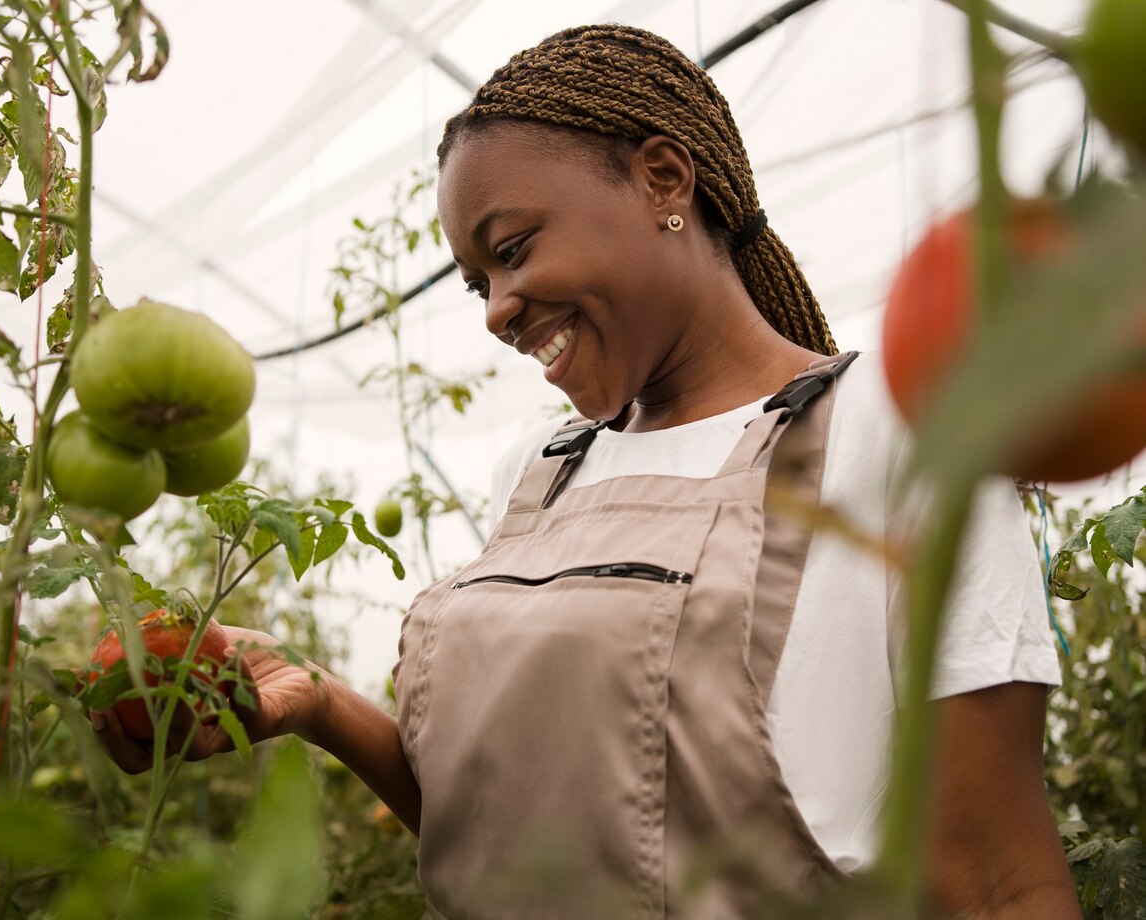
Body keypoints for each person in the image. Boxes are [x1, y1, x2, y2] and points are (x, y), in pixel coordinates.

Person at [92, 23, 1080, 919]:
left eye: (513, 251)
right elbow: (507, 835)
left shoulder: (895, 435)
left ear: (663, 179)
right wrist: (319, 702)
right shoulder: (542, 472)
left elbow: (998, 880)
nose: (495, 309)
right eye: (480, 282)